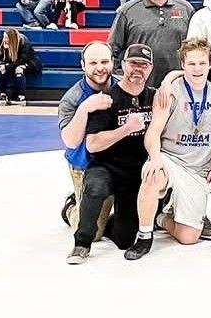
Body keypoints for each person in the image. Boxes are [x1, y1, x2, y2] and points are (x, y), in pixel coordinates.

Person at [124, 38, 211, 259]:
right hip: (170, 158)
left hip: (197, 169)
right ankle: (144, 236)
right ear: (182, 65)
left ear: (210, 63)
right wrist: (154, 158)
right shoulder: (169, 92)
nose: (197, 69)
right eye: (191, 64)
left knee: (189, 237)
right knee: (152, 176)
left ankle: (161, 217)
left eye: (202, 63)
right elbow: (152, 133)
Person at [66, 43, 155, 264]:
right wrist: (126, 128)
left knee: (125, 240)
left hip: (135, 171)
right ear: (122, 65)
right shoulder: (105, 98)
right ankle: (81, 243)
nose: (138, 69)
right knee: (95, 187)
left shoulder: (155, 97)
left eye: (143, 65)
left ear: (151, 68)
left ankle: (121, 217)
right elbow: (92, 144)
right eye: (133, 63)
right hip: (106, 166)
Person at [57, 42, 115, 235]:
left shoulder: (123, 88)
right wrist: (85, 108)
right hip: (85, 165)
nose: (100, 67)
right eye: (93, 63)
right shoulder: (72, 98)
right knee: (94, 231)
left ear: (113, 62)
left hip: (118, 164)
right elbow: (71, 141)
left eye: (105, 61)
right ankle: (71, 208)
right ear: (83, 65)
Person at [108, 0, 194, 84]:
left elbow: (196, 50)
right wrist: (121, 78)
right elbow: (112, 50)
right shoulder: (127, 11)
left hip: (178, 86)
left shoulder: (186, 9)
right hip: (139, 88)